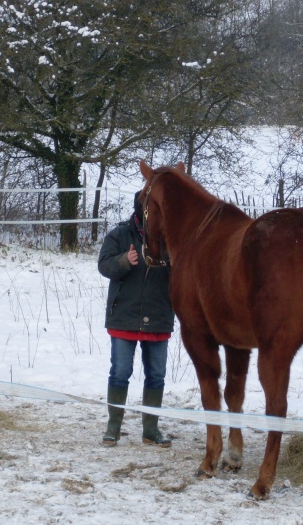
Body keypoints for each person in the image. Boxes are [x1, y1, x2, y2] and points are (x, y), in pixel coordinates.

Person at [97, 190, 175, 447]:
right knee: (120, 373)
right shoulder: (119, 235)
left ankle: (150, 431)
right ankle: (113, 428)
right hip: (124, 318)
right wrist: (124, 260)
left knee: (156, 376)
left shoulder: (170, 238)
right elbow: (104, 265)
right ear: (140, 210)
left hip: (159, 316)